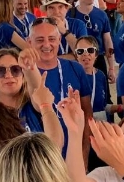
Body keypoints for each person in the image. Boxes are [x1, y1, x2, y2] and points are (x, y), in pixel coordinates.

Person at [26, 19, 93, 157]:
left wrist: (84, 154)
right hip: (40, 158)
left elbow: (87, 115)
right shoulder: (23, 73)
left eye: (52, 39)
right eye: (39, 40)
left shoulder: (76, 68)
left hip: (73, 155)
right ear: (29, 42)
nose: (47, 44)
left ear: (59, 40)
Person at [0, 48, 51, 132]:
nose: (8, 75)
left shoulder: (33, 107)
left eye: (15, 70)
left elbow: (37, 89)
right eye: (0, 71)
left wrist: (29, 65)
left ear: (23, 76)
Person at [74, 0, 115, 83]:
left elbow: (108, 41)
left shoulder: (102, 14)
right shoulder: (71, 14)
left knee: (102, 92)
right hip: (78, 61)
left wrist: (111, 67)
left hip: (98, 60)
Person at [75, 36, 109, 117]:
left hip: (100, 125)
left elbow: (104, 106)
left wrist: (120, 107)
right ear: (76, 55)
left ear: (96, 54)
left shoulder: (101, 76)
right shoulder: (72, 76)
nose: (86, 54)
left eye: (90, 50)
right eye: (80, 51)